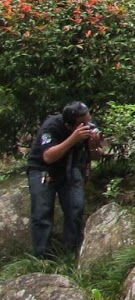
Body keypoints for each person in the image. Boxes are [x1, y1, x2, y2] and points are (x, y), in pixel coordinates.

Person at [26, 101, 103, 259]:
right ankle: (43, 257)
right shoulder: (52, 126)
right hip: (43, 170)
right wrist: (73, 139)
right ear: (70, 125)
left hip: (69, 168)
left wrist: (94, 145)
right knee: (42, 213)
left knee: (76, 207)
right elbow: (48, 156)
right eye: (84, 123)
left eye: (89, 120)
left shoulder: (87, 127)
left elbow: (96, 155)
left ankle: (70, 254)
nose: (87, 125)